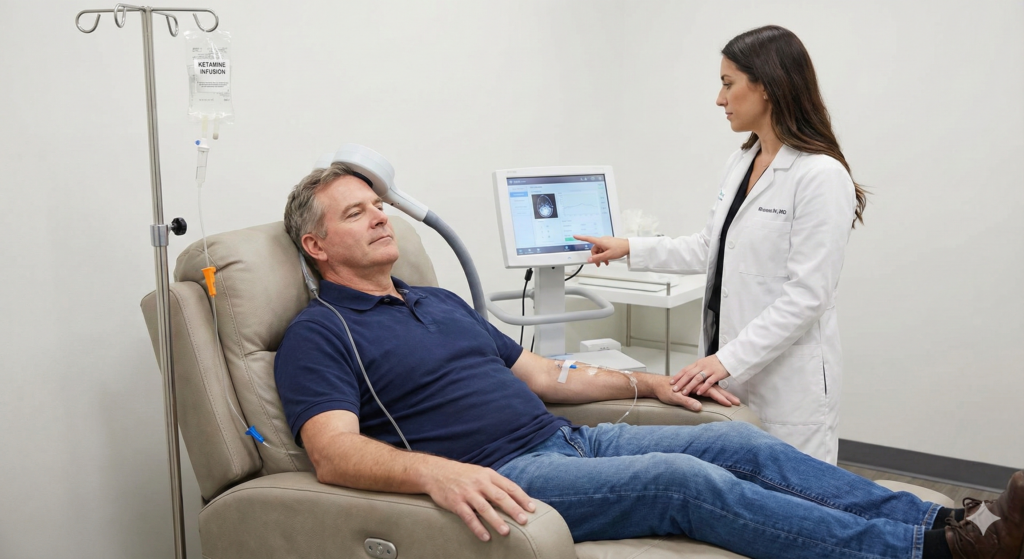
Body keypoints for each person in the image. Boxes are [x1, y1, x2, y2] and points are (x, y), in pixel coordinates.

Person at [274, 162, 1023, 559]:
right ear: (317, 245)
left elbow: (541, 375)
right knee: (684, 479)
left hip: (567, 439)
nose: (381, 216)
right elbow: (334, 453)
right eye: (356, 211)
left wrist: (649, 380)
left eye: (379, 204)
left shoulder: (435, 301)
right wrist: (438, 471)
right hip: (507, 473)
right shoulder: (322, 333)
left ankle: (949, 521)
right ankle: (925, 553)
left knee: (736, 440)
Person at [575, 25, 867, 464]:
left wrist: (726, 360)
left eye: (728, 84)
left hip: (786, 386)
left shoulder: (820, 176)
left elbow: (807, 296)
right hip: (728, 369)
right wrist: (630, 248)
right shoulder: (741, 162)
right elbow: (711, 248)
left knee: (795, 501)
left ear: (766, 87)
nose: (719, 98)